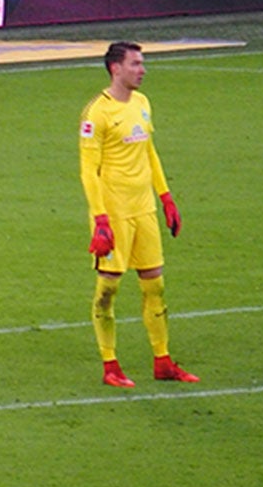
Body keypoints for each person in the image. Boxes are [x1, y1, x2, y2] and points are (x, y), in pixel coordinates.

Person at [80, 41, 197, 389]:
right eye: (135, 64)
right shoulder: (96, 113)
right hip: (113, 214)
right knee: (108, 291)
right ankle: (110, 364)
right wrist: (100, 220)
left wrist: (166, 198)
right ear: (116, 68)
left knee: (155, 285)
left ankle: (162, 360)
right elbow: (88, 171)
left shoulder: (143, 104)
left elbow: (149, 152)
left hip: (143, 210)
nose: (142, 70)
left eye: (142, 64)